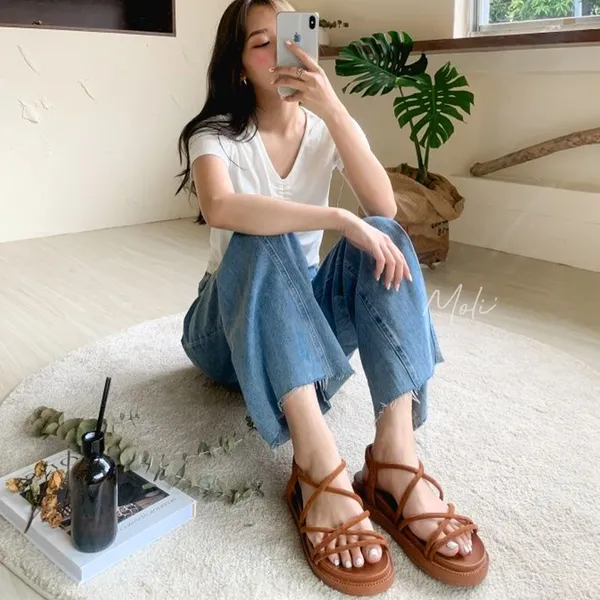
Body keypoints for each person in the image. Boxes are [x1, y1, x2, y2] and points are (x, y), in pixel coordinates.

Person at [176, 0, 488, 595]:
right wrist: (337, 218)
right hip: (224, 327)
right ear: (239, 65)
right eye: (262, 43)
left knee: (385, 234)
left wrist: (335, 110)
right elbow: (220, 207)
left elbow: (385, 207)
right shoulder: (214, 133)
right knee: (261, 237)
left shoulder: (323, 126)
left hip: (302, 321)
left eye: (293, 36)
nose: (283, 53)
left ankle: (393, 458)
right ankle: (315, 466)